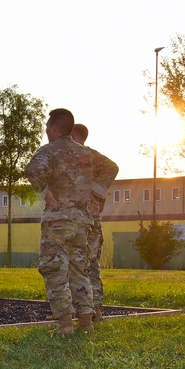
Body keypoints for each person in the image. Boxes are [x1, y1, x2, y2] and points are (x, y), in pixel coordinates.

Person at [26, 108, 96, 335]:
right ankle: (86, 321)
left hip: (58, 221)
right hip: (82, 222)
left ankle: (65, 323)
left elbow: (33, 170)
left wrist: (44, 189)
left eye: (47, 127)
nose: (46, 131)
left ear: (55, 128)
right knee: (79, 270)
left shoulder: (49, 151)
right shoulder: (86, 154)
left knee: (54, 268)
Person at [69, 123, 119, 323]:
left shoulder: (88, 155)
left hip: (88, 219)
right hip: (80, 217)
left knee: (86, 263)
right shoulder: (72, 156)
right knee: (82, 264)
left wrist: (95, 191)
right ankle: (87, 308)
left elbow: (112, 168)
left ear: (74, 135)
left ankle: (92, 308)